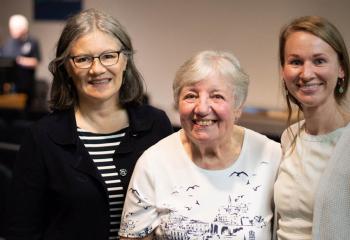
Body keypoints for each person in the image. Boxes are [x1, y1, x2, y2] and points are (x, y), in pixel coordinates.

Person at [4, 8, 173, 240]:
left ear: (125, 60)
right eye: (82, 59)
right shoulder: (42, 137)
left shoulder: (156, 126)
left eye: (108, 56)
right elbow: (20, 231)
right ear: (67, 68)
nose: (97, 69)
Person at [119, 50, 282, 240]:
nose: (202, 108)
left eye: (217, 96)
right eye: (191, 96)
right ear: (177, 103)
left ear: (238, 106)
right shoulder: (153, 163)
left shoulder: (272, 157)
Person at [274, 16, 350, 240]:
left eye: (319, 61)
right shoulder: (290, 137)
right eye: (295, 62)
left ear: (341, 69)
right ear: (283, 71)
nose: (306, 74)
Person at [1, 14, 41, 108]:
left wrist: (19, 60)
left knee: (25, 112)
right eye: (11, 28)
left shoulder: (32, 42)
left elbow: (36, 62)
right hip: (10, 85)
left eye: (15, 28)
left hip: (26, 85)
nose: (12, 31)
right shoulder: (9, 42)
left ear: (24, 28)